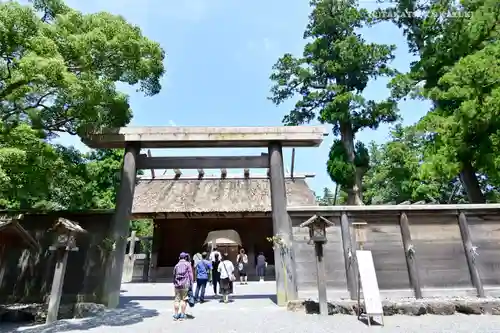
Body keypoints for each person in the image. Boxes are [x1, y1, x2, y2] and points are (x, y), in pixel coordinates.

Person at [173, 252, 194, 320]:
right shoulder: (187, 264)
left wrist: (174, 282)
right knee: (184, 299)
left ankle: (176, 315)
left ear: (179, 257)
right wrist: (191, 283)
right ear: (185, 257)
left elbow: (174, 275)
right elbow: (190, 274)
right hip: (185, 284)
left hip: (177, 285)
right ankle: (182, 315)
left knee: (176, 300)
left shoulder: (177, 265)